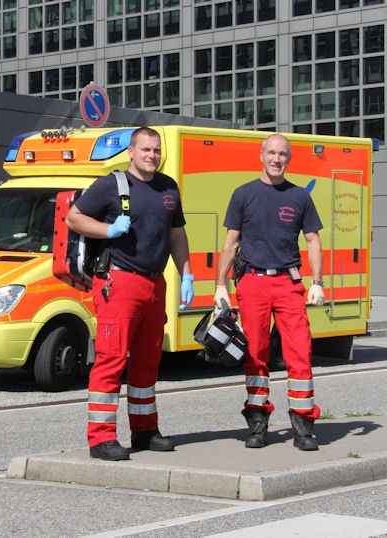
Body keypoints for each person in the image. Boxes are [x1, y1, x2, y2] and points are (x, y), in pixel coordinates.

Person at [65, 126, 194, 461]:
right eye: (145, 150)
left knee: (148, 361)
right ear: (131, 153)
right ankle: (101, 438)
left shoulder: (169, 187)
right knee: (111, 358)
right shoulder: (112, 184)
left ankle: (145, 430)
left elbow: (176, 234)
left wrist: (186, 274)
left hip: (154, 283)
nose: (152, 155)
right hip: (119, 282)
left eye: (156, 150)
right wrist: (108, 229)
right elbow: (74, 217)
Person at [215, 133, 324, 451]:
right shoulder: (243, 194)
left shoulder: (300, 196)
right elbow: (230, 242)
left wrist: (317, 282)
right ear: (261, 156)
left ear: (289, 159)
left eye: (283, 154)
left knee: (299, 354)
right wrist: (220, 285)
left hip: (288, 285)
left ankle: (303, 425)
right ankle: (258, 423)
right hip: (253, 282)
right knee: (255, 354)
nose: (277, 159)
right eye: (272, 153)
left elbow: (313, 240)